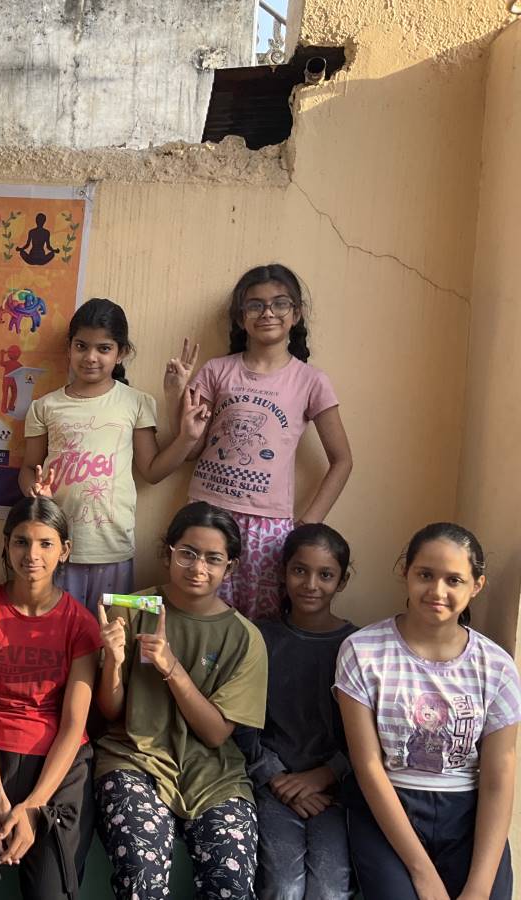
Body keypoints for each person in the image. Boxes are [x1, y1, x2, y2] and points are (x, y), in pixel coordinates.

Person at [335, 523, 520, 900]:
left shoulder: (497, 666)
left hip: (467, 813)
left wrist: (478, 888)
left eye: (454, 580)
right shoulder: (362, 651)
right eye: (425, 575)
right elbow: (368, 766)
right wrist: (422, 874)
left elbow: (498, 778)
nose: (437, 591)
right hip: (389, 806)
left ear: (476, 586)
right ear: (406, 573)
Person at [95, 501, 267, 900]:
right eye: (187, 553)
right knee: (141, 877)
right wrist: (114, 662)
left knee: (231, 885)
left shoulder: (245, 637)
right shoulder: (131, 608)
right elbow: (111, 712)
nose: (198, 568)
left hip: (214, 775)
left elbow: (215, 734)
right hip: (134, 759)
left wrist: (170, 666)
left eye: (213, 558)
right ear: (168, 552)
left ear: (230, 567)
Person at [165, 264, 353, 620]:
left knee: (260, 623)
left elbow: (342, 460)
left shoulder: (311, 381)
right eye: (255, 305)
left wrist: (306, 526)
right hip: (208, 516)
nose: (267, 313)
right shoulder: (216, 371)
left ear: (296, 313)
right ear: (241, 318)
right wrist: (176, 398)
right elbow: (191, 450)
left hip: (268, 527)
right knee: (200, 614)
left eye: (279, 303)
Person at [0, 497, 101, 900]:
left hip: (58, 767)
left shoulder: (81, 624)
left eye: (46, 544)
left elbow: (74, 725)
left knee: (51, 892)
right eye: (21, 542)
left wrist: (32, 806)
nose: (32, 555)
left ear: (65, 550)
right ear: (6, 545)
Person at [22, 297, 210, 612]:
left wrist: (187, 438)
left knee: (110, 630)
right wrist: (34, 491)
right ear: (69, 347)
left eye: (104, 348)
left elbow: (152, 471)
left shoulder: (136, 402)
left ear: (121, 352)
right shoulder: (45, 406)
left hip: (112, 548)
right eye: (81, 346)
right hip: (54, 545)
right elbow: (29, 467)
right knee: (56, 629)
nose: (90, 357)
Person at [235, 524, 357, 899]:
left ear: (342, 580)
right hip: (272, 785)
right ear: (283, 572)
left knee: (329, 888)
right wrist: (275, 777)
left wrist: (325, 775)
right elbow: (242, 724)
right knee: (283, 885)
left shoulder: (358, 647)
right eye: (300, 570)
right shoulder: (258, 638)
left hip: (338, 789)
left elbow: (372, 733)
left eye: (326, 575)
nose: (310, 584)